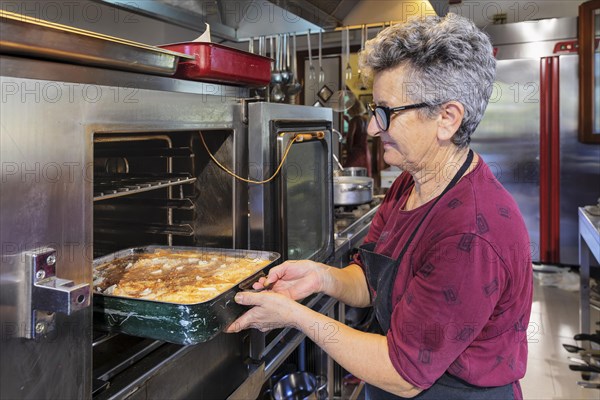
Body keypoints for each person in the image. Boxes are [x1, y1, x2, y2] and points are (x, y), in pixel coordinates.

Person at [227, 13, 532, 400]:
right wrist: (321, 277)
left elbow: (404, 372)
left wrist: (296, 317)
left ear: (447, 118)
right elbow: (372, 282)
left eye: (387, 112)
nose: (372, 128)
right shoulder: (410, 182)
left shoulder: (469, 232)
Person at [343, 99, 372, 175]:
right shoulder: (365, 119)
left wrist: (349, 151)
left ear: (352, 108)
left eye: (348, 108)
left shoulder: (354, 120)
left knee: (348, 172)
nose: (347, 110)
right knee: (363, 173)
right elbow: (361, 132)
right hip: (365, 150)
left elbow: (350, 137)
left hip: (356, 151)